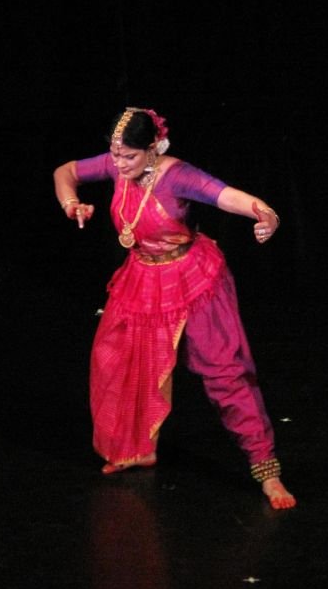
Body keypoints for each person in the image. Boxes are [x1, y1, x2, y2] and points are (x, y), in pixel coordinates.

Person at [53, 107, 296, 509]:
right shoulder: (118, 165)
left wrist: (264, 212)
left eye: (129, 156)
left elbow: (227, 196)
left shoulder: (178, 176)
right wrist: (70, 203)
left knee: (223, 372)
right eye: (114, 156)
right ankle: (137, 449)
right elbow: (66, 171)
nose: (119, 165)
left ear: (153, 147)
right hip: (142, 278)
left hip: (192, 278)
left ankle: (266, 468)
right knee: (120, 360)